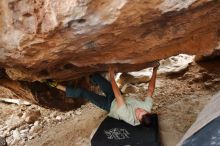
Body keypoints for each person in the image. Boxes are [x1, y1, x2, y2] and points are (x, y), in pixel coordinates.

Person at [47, 62, 159, 126]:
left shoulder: (129, 117)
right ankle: (85, 76)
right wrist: (155, 71)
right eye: (143, 111)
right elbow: (150, 89)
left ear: (138, 120)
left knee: (83, 92)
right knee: (96, 77)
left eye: (139, 114)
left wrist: (111, 76)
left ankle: (56, 85)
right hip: (120, 96)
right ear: (148, 111)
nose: (139, 110)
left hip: (109, 105)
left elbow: (118, 96)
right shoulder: (147, 109)